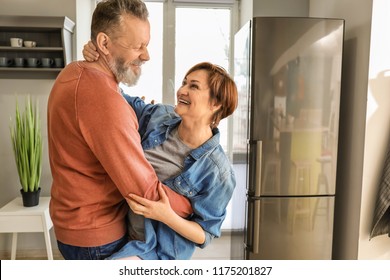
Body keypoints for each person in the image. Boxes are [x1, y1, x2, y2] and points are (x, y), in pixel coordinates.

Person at [47, 0, 192, 260]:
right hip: (98, 239)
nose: (146, 55)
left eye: (146, 45)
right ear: (103, 44)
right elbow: (144, 192)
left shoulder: (72, 73)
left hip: (73, 227)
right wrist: (194, 209)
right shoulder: (104, 101)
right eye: (138, 46)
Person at [85, 40, 238, 259]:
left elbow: (205, 234)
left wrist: (166, 215)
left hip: (158, 251)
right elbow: (116, 96)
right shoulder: (160, 117)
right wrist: (100, 58)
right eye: (184, 83)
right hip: (122, 229)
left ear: (216, 104)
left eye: (193, 86)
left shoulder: (219, 173)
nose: (181, 90)